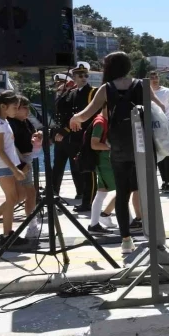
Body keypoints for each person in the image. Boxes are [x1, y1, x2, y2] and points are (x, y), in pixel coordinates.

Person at [70, 51, 165, 254]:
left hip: (119, 148)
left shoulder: (106, 88)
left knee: (122, 194)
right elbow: (161, 108)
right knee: (148, 191)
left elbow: (86, 115)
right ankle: (154, 237)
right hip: (143, 146)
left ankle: (126, 241)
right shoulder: (142, 84)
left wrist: (74, 118)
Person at [0, 91, 29, 247]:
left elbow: (10, 148)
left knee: (20, 195)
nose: (17, 110)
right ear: (3, 106)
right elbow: (0, 151)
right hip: (3, 166)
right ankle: (7, 235)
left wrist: (19, 164)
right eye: (15, 107)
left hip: (9, 165)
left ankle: (5, 230)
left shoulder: (4, 122)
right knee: (12, 198)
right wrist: (15, 170)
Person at [67, 62, 97, 213]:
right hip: (76, 136)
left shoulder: (93, 92)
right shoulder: (73, 93)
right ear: (74, 77)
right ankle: (86, 200)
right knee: (81, 170)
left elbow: (95, 114)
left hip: (88, 135)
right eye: (80, 75)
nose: (84, 77)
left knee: (88, 171)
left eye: (86, 75)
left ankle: (88, 202)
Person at [9, 96, 41, 239]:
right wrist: (21, 165)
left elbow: (31, 135)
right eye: (24, 108)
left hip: (27, 159)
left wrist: (38, 136)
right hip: (20, 160)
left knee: (23, 195)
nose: (28, 111)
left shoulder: (25, 121)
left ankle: (32, 226)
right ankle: (32, 227)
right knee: (24, 194)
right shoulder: (11, 124)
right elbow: (11, 147)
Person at [87, 106, 118, 234]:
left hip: (105, 162)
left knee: (101, 193)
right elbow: (94, 144)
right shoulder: (100, 122)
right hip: (104, 163)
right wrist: (111, 147)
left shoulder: (105, 120)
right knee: (123, 190)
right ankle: (129, 221)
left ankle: (94, 224)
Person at [150, 71, 169, 193]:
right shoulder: (146, 93)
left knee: (167, 154)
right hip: (151, 128)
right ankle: (162, 181)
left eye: (156, 77)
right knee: (157, 155)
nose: (155, 79)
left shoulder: (168, 92)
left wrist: (168, 124)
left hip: (165, 128)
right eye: (152, 77)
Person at [51, 72, 76, 197]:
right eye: (57, 84)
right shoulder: (58, 97)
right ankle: (53, 190)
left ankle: (81, 192)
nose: (58, 87)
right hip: (59, 138)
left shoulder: (72, 96)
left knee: (75, 166)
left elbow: (73, 117)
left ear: (68, 84)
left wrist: (64, 132)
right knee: (57, 165)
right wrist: (52, 135)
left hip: (71, 137)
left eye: (61, 84)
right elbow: (57, 120)